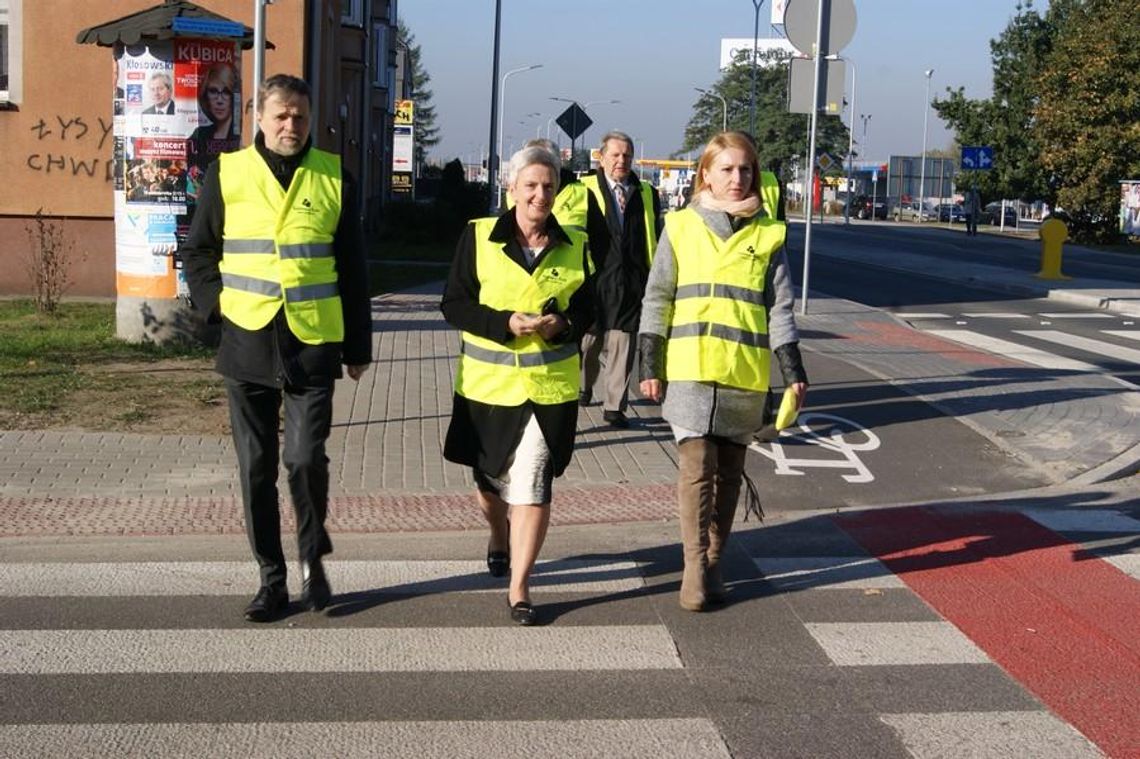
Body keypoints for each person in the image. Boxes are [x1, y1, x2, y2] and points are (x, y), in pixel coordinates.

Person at [180, 74, 373, 623]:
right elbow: (197, 253)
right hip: (247, 340)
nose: (291, 126)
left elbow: (354, 268)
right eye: (282, 116)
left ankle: (314, 558)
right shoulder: (229, 173)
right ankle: (272, 580)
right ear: (258, 118)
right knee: (255, 467)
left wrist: (358, 344)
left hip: (312, 340)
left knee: (305, 459)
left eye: (301, 117)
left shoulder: (335, 175)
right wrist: (216, 306)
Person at [638, 131, 808, 612]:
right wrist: (649, 364)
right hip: (690, 368)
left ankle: (715, 560)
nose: (737, 179)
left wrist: (792, 369)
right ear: (705, 174)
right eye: (727, 169)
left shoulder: (769, 233)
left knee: (731, 473)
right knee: (697, 470)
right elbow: (657, 298)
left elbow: (780, 308)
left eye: (745, 169)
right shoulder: (680, 225)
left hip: (743, 370)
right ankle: (693, 567)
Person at [440, 145, 594, 626]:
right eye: (530, 185)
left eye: (549, 186)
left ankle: (520, 588)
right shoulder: (479, 236)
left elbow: (591, 308)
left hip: (548, 390)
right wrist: (505, 321)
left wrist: (562, 326)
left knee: (531, 483)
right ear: (512, 189)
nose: (540, 195)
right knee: (489, 484)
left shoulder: (576, 245)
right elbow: (454, 304)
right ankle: (497, 535)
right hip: (487, 389)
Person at [579, 131, 664, 428]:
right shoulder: (584, 189)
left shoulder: (646, 193)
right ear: (601, 158)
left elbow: (656, 235)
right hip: (594, 278)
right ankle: (584, 385)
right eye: (615, 155)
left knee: (623, 342)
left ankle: (615, 406)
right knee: (589, 342)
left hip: (631, 279)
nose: (621, 160)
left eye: (627, 155)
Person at [187, 63, 241, 179]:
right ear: (206, 96)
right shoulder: (198, 134)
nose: (219, 100)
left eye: (226, 92)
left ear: (233, 97)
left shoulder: (237, 137)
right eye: (213, 91)